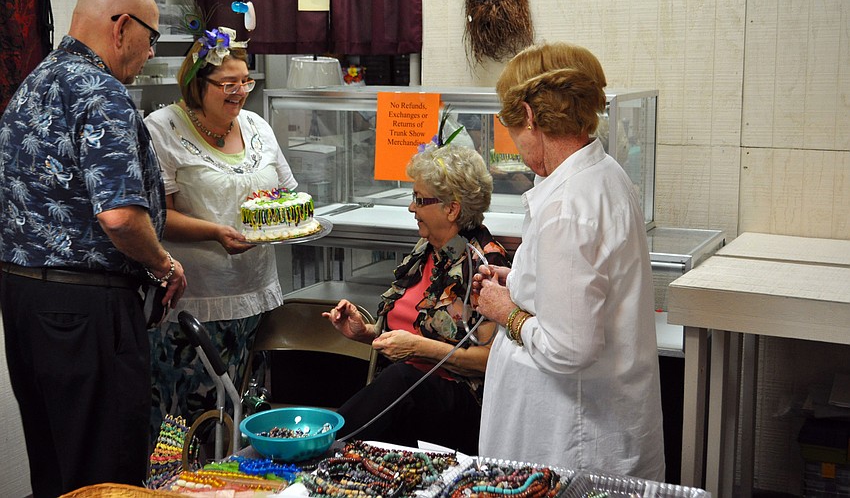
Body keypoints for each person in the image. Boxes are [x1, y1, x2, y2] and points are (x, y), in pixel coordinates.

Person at [0, 0, 187, 496]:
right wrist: (163, 264)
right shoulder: (102, 92)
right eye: (151, 37)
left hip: (23, 301)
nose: (151, 52)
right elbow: (121, 217)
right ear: (122, 27)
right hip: (85, 310)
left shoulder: (34, 81)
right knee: (106, 470)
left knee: (57, 466)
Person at [473, 42, 665, 479]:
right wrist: (520, 279)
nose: (517, 145)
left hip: (570, 441)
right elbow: (580, 287)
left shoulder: (567, 207)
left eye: (513, 129)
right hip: (597, 424)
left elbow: (569, 347)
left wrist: (506, 310)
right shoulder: (604, 175)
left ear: (530, 115)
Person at [144, 26, 297, 442]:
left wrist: (287, 219)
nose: (240, 92)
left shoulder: (255, 125)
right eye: (227, 84)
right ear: (197, 83)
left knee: (247, 414)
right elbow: (157, 215)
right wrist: (215, 232)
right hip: (195, 300)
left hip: (255, 293)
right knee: (190, 421)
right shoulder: (162, 128)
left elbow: (285, 192)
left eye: (245, 81)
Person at [324, 144, 509, 454]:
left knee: (401, 380)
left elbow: (493, 361)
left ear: (452, 209)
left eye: (419, 200)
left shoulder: (485, 265)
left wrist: (420, 348)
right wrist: (365, 334)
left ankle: (316, 449)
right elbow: (410, 335)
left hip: (461, 405)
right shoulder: (425, 251)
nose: (412, 208)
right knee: (395, 382)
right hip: (407, 399)